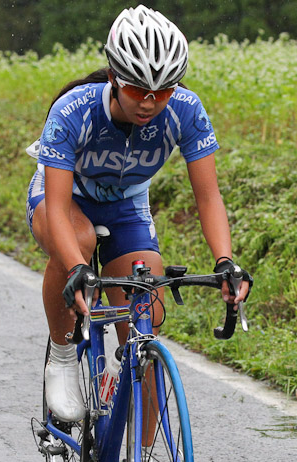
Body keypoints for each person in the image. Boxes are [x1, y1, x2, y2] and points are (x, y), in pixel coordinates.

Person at [25, 5, 252, 423]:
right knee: (79, 241)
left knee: (146, 321)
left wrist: (225, 261)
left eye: (163, 92)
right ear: (113, 77)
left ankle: (140, 459)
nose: (150, 103)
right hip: (66, 197)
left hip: (126, 204)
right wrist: (77, 266)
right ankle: (61, 357)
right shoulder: (74, 110)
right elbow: (56, 207)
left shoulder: (186, 110)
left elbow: (209, 196)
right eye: (137, 91)